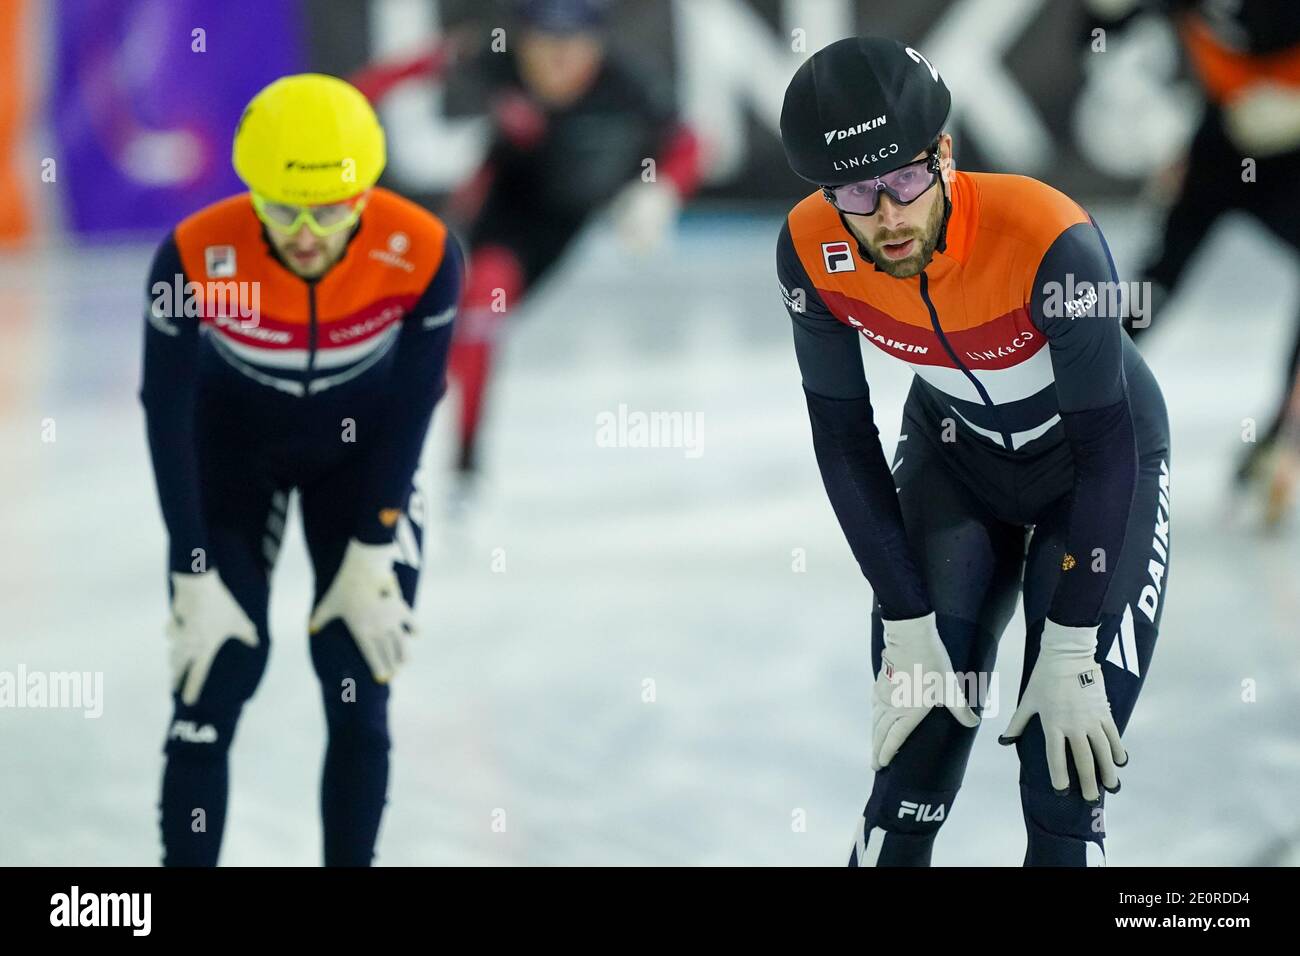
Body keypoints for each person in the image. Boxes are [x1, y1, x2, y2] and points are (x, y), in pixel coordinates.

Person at [775, 37, 1171, 865]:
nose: (887, 216)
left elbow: (1105, 449)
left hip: (1092, 477)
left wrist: (1066, 645)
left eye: (908, 180)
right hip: (955, 465)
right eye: (855, 190)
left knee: (1063, 781)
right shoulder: (811, 251)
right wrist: (904, 617)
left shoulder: (1049, 236)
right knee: (909, 774)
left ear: (945, 154)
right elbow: (842, 439)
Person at [140, 73, 462, 865]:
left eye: (331, 209)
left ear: (366, 195)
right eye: (283, 210)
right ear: (251, 193)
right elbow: (167, 410)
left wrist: (375, 541)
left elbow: (417, 404)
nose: (308, 234)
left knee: (357, 690)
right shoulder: (193, 255)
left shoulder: (422, 250)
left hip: (360, 469)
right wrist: (191, 567)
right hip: (233, 461)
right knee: (209, 692)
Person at [350, 0, 702, 495]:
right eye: (545, 46)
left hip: (563, 219)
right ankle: (460, 463)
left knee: (467, 326)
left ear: (596, 44)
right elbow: (406, 70)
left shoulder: (629, 83)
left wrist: (661, 193)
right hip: (504, 204)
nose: (558, 63)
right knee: (477, 306)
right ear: (524, 41)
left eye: (572, 48)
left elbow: (689, 142)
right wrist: (343, 102)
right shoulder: (495, 55)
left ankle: (413, 418)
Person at [1094, 0, 1300, 515]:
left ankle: (1283, 436)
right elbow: (1101, 32)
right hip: (1223, 138)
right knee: (1156, 277)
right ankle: (1073, 403)